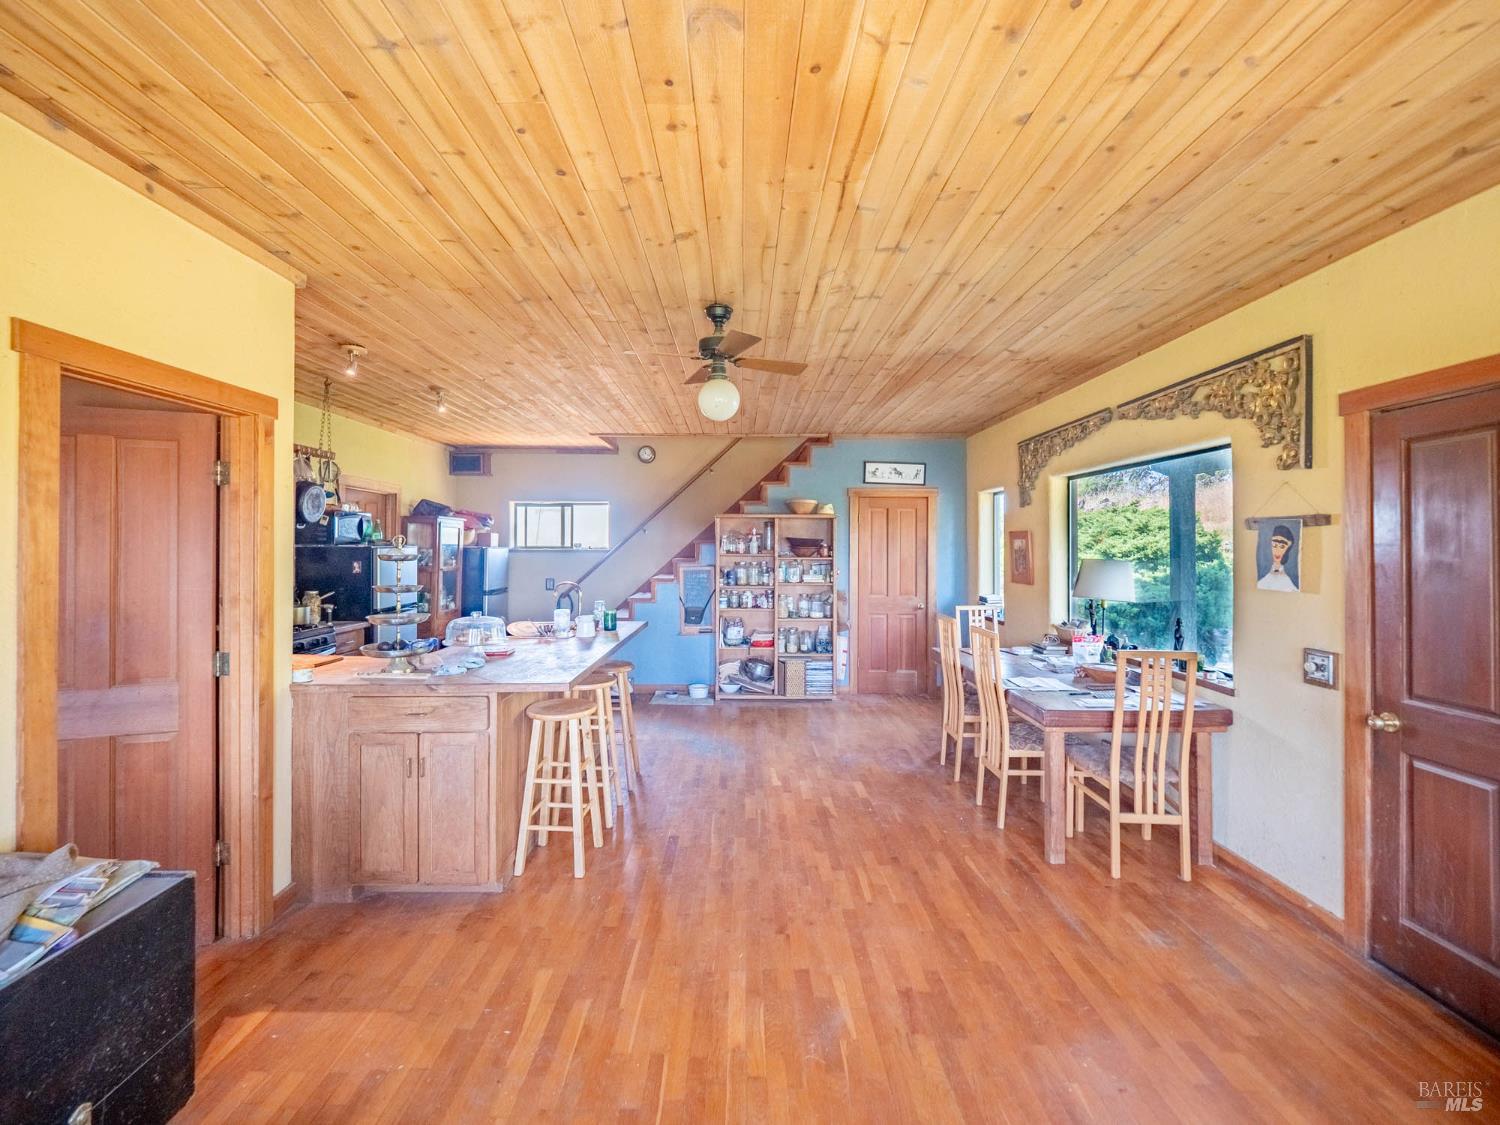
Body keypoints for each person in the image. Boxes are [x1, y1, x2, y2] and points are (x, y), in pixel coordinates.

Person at [1257, 523, 1299, 592]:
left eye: (1282, 546)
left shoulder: (1290, 586)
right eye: (1274, 545)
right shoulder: (1262, 581)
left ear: (1288, 548)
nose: (1277, 550)